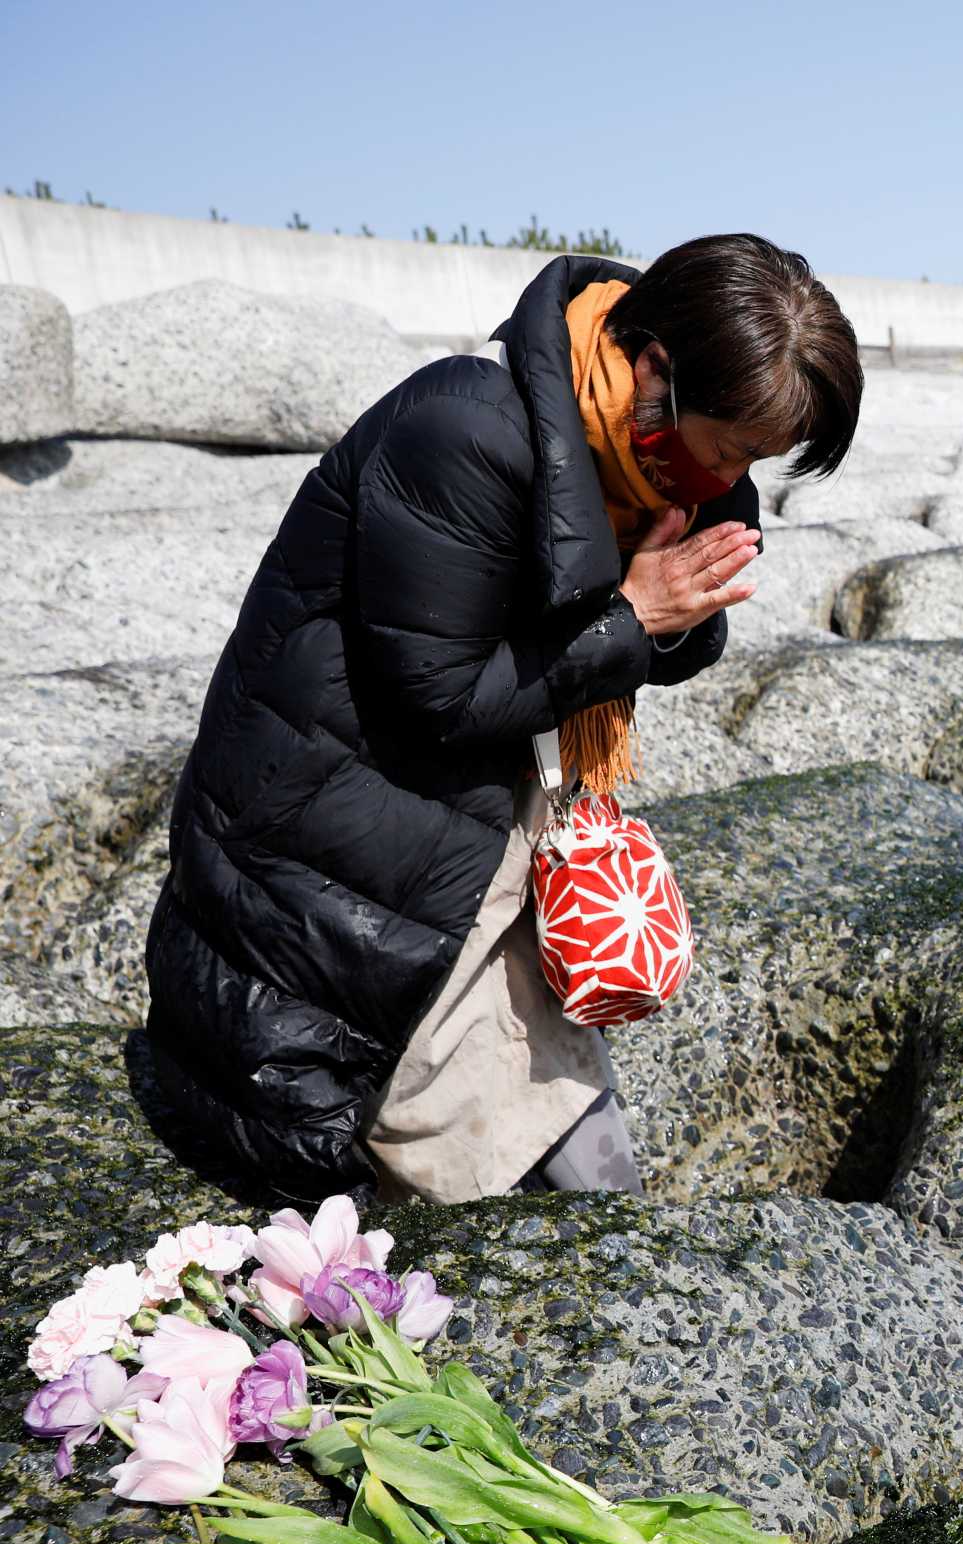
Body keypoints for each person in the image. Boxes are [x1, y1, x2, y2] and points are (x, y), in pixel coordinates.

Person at [142, 235, 864, 1205]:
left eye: (759, 462)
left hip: (483, 812)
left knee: (567, 1125)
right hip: (337, 824)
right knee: (409, 1116)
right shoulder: (463, 429)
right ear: (654, 366)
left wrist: (672, 611)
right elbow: (436, 694)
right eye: (733, 448)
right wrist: (635, 616)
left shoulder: (660, 462)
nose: (735, 476)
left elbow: (662, 646)